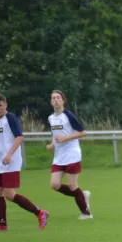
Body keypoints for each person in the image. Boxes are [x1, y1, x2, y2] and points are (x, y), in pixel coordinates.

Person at [0, 93, 49, 231]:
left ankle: (39, 212)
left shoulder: (10, 118)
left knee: (9, 194)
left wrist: (9, 154)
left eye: (0, 106)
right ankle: (2, 225)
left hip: (11, 161)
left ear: (5, 105)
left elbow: (20, 137)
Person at [47, 90, 92, 219]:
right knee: (54, 185)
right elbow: (55, 135)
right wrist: (52, 144)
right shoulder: (51, 118)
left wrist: (66, 138)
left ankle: (86, 213)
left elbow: (83, 132)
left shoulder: (68, 115)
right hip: (59, 156)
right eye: (53, 98)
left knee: (72, 185)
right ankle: (82, 195)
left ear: (63, 100)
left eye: (58, 98)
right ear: (51, 102)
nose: (55, 100)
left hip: (72, 154)